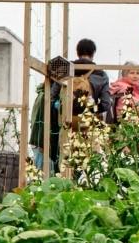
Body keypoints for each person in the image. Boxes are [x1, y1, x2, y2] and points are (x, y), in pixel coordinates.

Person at [28, 40, 113, 173]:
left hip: (66, 125)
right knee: (90, 164)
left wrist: (62, 108)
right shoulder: (101, 74)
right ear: (93, 53)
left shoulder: (66, 69)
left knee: (66, 163)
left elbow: (52, 97)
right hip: (88, 127)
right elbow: (106, 104)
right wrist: (89, 109)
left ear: (77, 52)